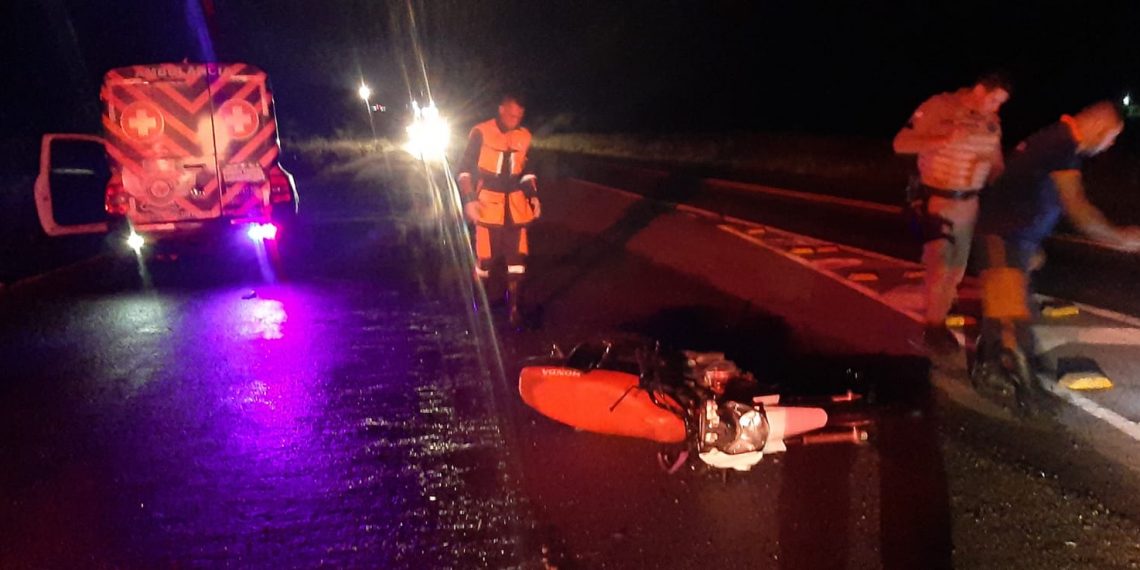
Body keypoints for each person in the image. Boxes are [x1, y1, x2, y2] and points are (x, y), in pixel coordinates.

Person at [972, 101, 1140, 410]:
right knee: (1014, 324)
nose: (1110, 144)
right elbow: (1078, 209)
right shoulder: (1062, 146)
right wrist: (1123, 238)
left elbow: (1016, 188)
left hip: (1009, 239)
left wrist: (1030, 243)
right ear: (1099, 126)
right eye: (1112, 136)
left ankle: (996, 378)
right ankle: (1023, 404)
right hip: (1004, 241)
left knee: (1006, 317)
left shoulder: (1052, 140)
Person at [894, 74, 1011, 352]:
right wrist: (943, 138)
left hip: (970, 204)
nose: (996, 106)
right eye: (994, 99)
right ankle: (932, 329)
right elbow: (901, 143)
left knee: (956, 272)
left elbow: (997, 166)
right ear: (980, 90)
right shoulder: (938, 107)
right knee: (940, 268)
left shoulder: (991, 122)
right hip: (938, 201)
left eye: (1001, 103)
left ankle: (938, 322)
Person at [457, 95, 540, 327]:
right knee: (485, 260)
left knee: (517, 260)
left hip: (515, 207)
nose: (515, 119)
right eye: (512, 114)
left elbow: (527, 172)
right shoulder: (481, 132)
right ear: (501, 109)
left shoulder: (525, 136)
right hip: (487, 206)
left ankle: (514, 309)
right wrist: (469, 199)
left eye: (519, 116)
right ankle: (479, 307)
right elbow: (464, 170)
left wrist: (534, 197)